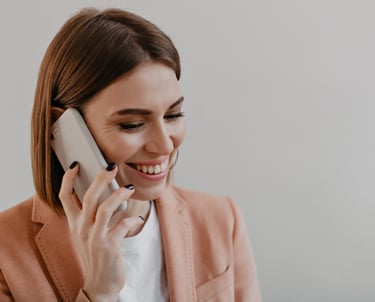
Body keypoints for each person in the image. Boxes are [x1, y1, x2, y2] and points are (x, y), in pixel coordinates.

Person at [0, 7, 261, 302]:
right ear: (62, 130)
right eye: (132, 124)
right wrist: (97, 292)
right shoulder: (5, 253)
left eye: (173, 114)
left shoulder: (222, 220)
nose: (164, 145)